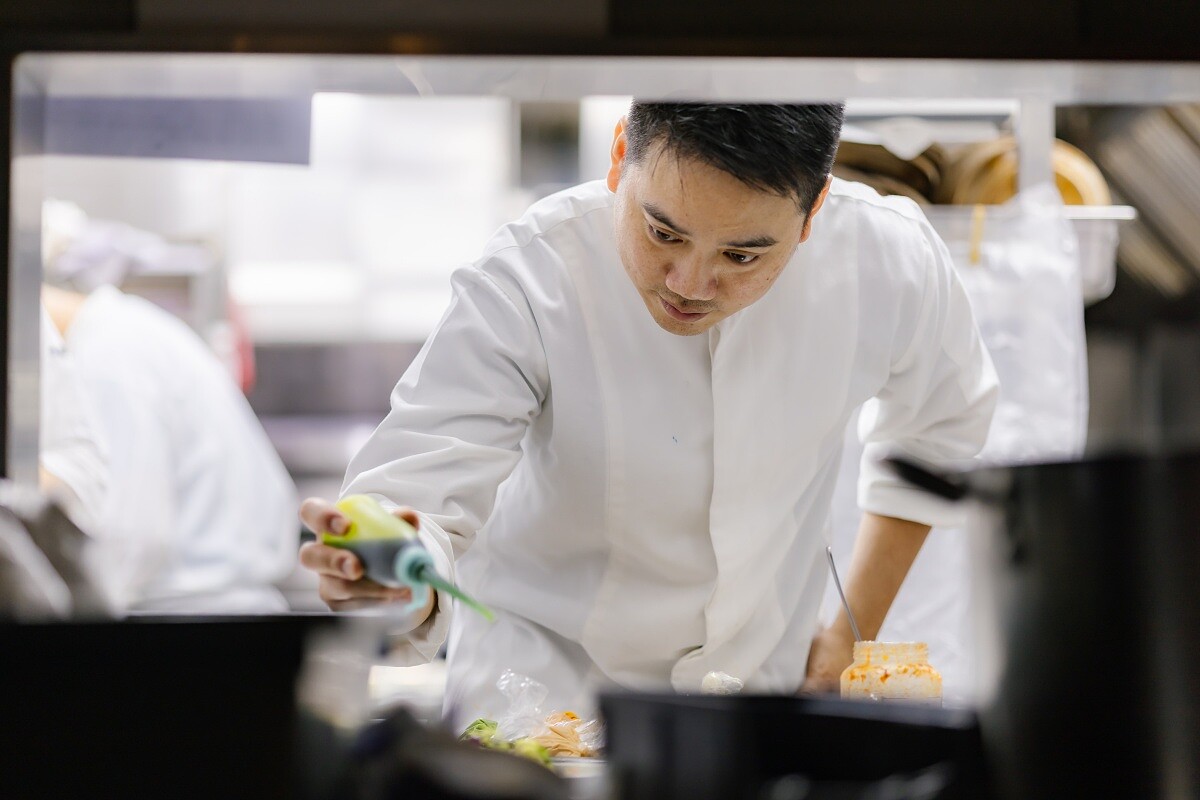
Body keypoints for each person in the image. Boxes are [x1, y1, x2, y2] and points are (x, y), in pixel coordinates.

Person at [299, 103, 999, 725]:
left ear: (813, 212)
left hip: (757, 712)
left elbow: (944, 426)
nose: (691, 284)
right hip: (538, 704)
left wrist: (850, 638)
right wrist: (389, 564)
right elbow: (420, 489)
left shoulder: (887, 258)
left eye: (743, 254)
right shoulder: (531, 276)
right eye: (663, 233)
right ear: (617, 161)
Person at [40, 279, 299, 613]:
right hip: (218, 616)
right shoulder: (127, 329)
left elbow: (128, 542)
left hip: (191, 628)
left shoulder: (105, 361)